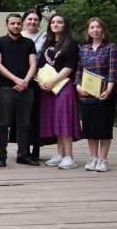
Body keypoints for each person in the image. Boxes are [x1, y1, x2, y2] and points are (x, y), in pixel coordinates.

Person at [0, 13, 38, 167]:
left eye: (19, 23)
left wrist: (25, 81)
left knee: (24, 124)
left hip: (26, 89)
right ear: (7, 25)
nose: (16, 26)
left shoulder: (29, 43)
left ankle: (22, 155)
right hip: (7, 89)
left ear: (22, 24)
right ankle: (2, 156)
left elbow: (33, 65)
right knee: (4, 123)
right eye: (13, 23)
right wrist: (15, 80)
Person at [38, 13, 81, 169]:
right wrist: (41, 82)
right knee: (55, 120)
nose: (55, 24)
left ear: (65, 25)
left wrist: (53, 81)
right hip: (48, 88)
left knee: (64, 120)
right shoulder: (46, 43)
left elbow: (69, 67)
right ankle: (60, 154)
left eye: (59, 22)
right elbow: (41, 66)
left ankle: (69, 156)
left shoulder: (71, 44)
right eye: (53, 22)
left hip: (64, 86)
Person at [74, 17, 117, 173]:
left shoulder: (110, 48)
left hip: (105, 94)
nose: (95, 30)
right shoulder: (83, 49)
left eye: (98, 27)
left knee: (104, 128)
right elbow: (78, 70)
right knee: (90, 128)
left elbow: (113, 71)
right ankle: (93, 157)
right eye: (91, 27)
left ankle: (103, 159)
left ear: (103, 30)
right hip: (86, 95)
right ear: (87, 31)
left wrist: (109, 89)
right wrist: (78, 87)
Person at [10, 8, 46, 162]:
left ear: (40, 21)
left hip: (38, 81)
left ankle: (36, 149)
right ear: (24, 21)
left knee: (36, 115)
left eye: (36, 19)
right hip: (17, 81)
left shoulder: (46, 37)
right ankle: (22, 149)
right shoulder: (18, 36)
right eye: (29, 19)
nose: (32, 22)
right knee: (20, 117)